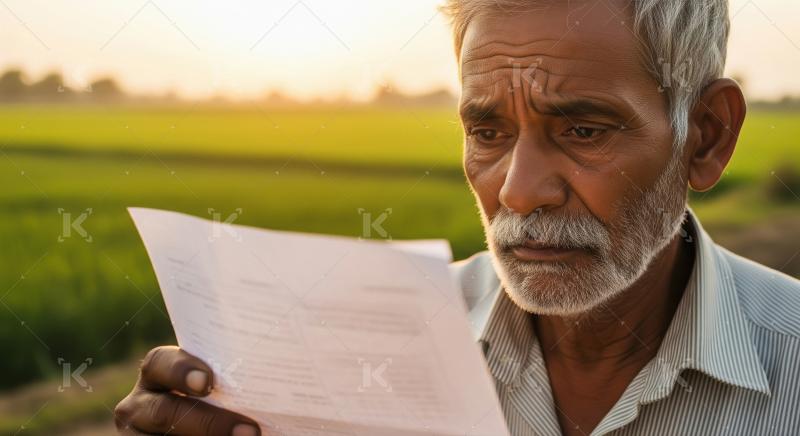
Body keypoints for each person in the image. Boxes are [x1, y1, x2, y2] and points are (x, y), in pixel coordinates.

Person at [114, 1, 800, 434]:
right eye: (488, 133)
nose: (519, 192)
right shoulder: (353, 356)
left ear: (704, 137)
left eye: (584, 131)